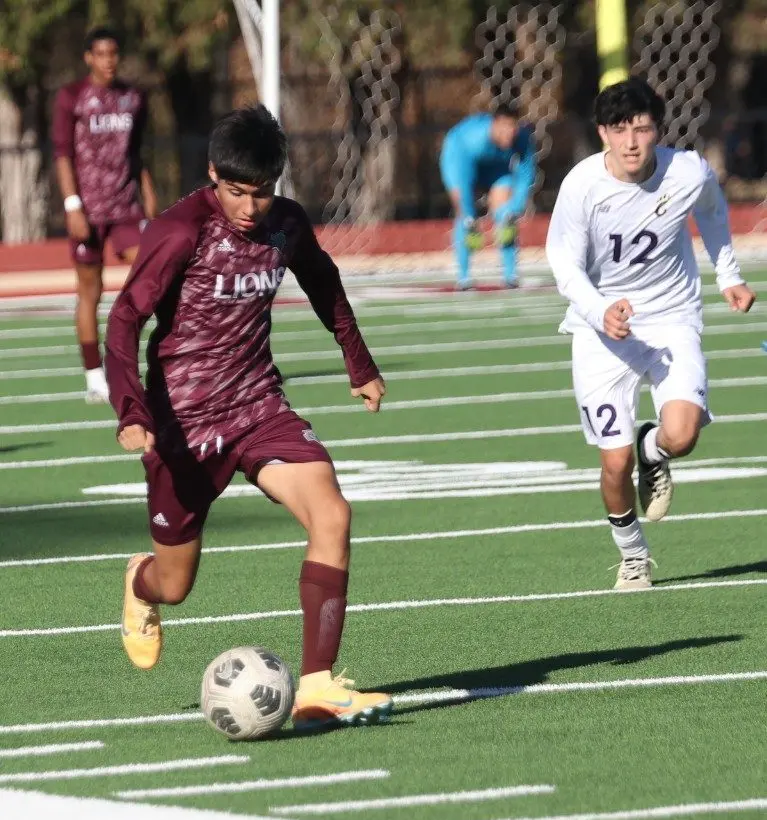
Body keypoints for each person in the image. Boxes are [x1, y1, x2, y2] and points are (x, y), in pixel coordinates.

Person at [105, 105, 392, 730]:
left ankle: (316, 687)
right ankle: (140, 583)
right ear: (213, 174)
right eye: (236, 192)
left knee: (333, 514)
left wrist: (359, 363)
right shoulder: (179, 231)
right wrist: (130, 409)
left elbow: (323, 282)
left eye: (260, 192)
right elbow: (125, 318)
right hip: (183, 423)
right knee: (175, 585)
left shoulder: (285, 224)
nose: (248, 207)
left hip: (259, 405)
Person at [545, 77, 756, 590]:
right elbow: (563, 263)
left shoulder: (687, 171)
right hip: (601, 330)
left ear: (658, 130)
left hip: (671, 318)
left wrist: (728, 275)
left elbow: (712, 210)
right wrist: (599, 310)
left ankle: (652, 449)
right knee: (613, 463)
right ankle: (633, 555)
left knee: (681, 435)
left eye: (641, 129)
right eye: (620, 130)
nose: (632, 142)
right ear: (603, 133)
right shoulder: (582, 185)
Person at [53, 26, 157, 404]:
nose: (108, 61)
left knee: (151, 275)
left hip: (126, 207)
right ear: (88, 58)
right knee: (90, 290)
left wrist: (149, 194)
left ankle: (148, 358)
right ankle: (94, 375)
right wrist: (72, 205)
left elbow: (137, 152)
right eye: (101, 54)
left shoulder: (133, 97)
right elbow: (63, 154)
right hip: (88, 210)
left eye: (113, 53)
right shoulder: (72, 97)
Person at [439, 103, 536, 290]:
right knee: (466, 217)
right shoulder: (471, 140)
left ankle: (510, 275)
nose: (509, 133)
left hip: (496, 167)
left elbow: (526, 174)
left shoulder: (522, 138)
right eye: (504, 127)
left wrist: (514, 208)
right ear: (494, 124)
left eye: (513, 127)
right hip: (461, 161)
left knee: (506, 214)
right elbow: (458, 178)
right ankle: (464, 277)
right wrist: (467, 213)